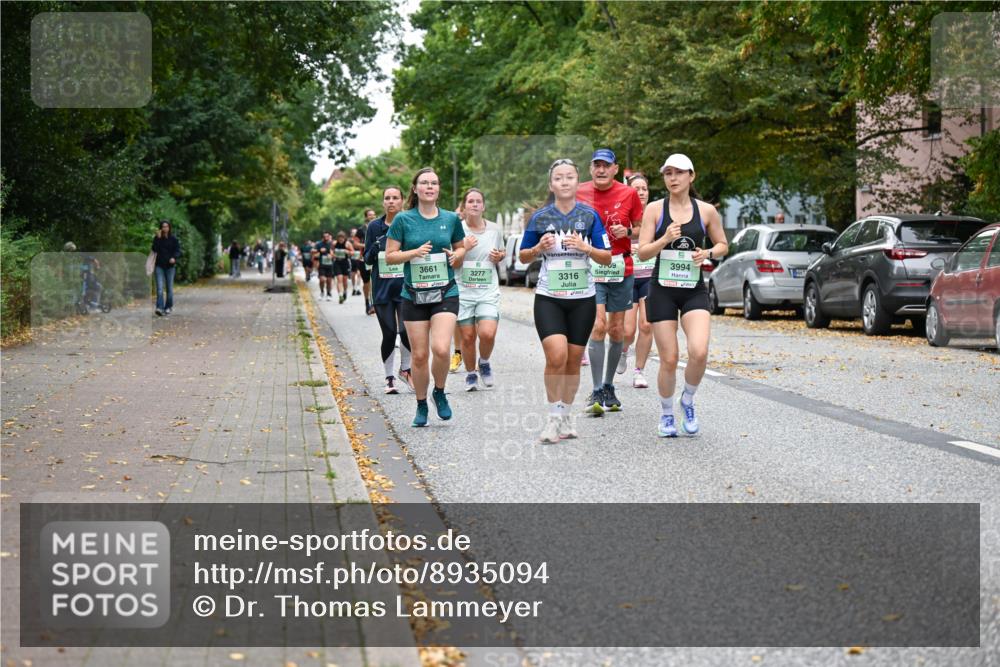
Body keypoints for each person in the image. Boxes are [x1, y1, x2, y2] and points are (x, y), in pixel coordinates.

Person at [519, 158, 611, 443]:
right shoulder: (540, 218)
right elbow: (522, 257)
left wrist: (586, 247)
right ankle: (553, 417)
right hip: (550, 298)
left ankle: (567, 414)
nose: (564, 182)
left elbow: (607, 257)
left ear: (577, 181)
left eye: (569, 177)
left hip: (582, 298)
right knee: (556, 355)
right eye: (558, 178)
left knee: (572, 361)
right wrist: (537, 247)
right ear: (552, 184)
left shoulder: (590, 215)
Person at [637, 153, 728, 437]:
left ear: (692, 176)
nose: (672, 178)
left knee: (699, 351)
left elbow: (723, 244)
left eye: (678, 173)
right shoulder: (654, 209)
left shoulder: (706, 211)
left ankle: (687, 399)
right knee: (669, 359)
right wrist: (664, 239)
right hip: (662, 289)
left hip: (693, 289)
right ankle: (666, 414)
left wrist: (708, 253)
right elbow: (642, 252)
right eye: (668, 173)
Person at [385, 167, 466, 427]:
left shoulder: (451, 218)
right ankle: (421, 404)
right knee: (419, 356)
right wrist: (413, 253)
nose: (429, 187)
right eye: (424, 183)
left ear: (438, 188)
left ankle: (439, 392)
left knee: (441, 349)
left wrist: (457, 256)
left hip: (445, 292)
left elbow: (460, 247)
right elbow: (390, 256)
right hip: (413, 295)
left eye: (434, 183)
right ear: (415, 189)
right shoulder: (402, 220)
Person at [576, 148, 645, 415]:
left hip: (621, 266)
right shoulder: (579, 192)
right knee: (597, 324)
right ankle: (594, 389)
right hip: (590, 267)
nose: (601, 170)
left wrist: (627, 231)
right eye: (597, 165)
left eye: (606, 165)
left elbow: (640, 228)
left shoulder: (628, 194)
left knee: (618, 330)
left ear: (615, 169)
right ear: (591, 168)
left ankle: (608, 386)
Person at [364, 187, 414, 394]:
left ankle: (406, 370)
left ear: (402, 201)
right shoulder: (374, 227)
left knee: (406, 332)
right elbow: (366, 259)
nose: (391, 201)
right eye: (387, 198)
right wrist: (376, 248)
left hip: (405, 288)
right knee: (389, 333)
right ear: (383, 202)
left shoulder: (409, 223)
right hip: (382, 289)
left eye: (395, 198)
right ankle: (389, 378)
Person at [455, 188, 505, 391]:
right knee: (467, 337)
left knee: (487, 334)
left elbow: (501, 252)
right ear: (464, 207)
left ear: (483, 206)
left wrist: (499, 256)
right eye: (470, 201)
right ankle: (470, 374)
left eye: (478, 201)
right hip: (463, 291)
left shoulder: (494, 229)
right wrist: (463, 248)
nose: (474, 205)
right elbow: (452, 262)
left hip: (487, 291)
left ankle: (483, 362)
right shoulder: (456, 230)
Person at [619, 173, 654, 388]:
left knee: (647, 324)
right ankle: (622, 351)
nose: (641, 192)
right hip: (629, 276)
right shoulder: (623, 214)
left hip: (650, 276)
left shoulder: (657, 213)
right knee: (628, 330)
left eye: (644, 189)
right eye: (636, 189)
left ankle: (639, 371)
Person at [152, 220, 181, 316]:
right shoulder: (157, 238)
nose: (165, 228)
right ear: (161, 228)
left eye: (166, 226)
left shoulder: (173, 239)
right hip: (159, 266)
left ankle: (168, 307)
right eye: (163, 227)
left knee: (169, 288)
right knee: (159, 288)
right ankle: (159, 308)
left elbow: (178, 251)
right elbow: (154, 249)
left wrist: (174, 258)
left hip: (170, 267)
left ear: (169, 228)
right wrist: (158, 238)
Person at [332, 231, 354, 303]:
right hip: (337, 262)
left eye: (342, 238)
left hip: (345, 263)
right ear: (337, 238)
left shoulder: (347, 244)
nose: (341, 239)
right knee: (339, 279)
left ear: (344, 238)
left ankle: (344, 291)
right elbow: (331, 251)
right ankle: (340, 295)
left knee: (345, 280)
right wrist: (333, 255)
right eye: (339, 238)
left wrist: (348, 252)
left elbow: (352, 252)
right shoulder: (334, 243)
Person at [315, 231, 336, 300]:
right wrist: (319, 251)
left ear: (329, 236)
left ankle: (328, 293)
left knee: (329, 281)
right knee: (322, 280)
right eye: (324, 237)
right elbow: (313, 252)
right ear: (322, 237)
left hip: (330, 265)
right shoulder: (319, 244)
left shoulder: (332, 244)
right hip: (322, 265)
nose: (326, 238)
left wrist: (332, 255)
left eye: (327, 236)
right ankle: (322, 292)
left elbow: (336, 254)